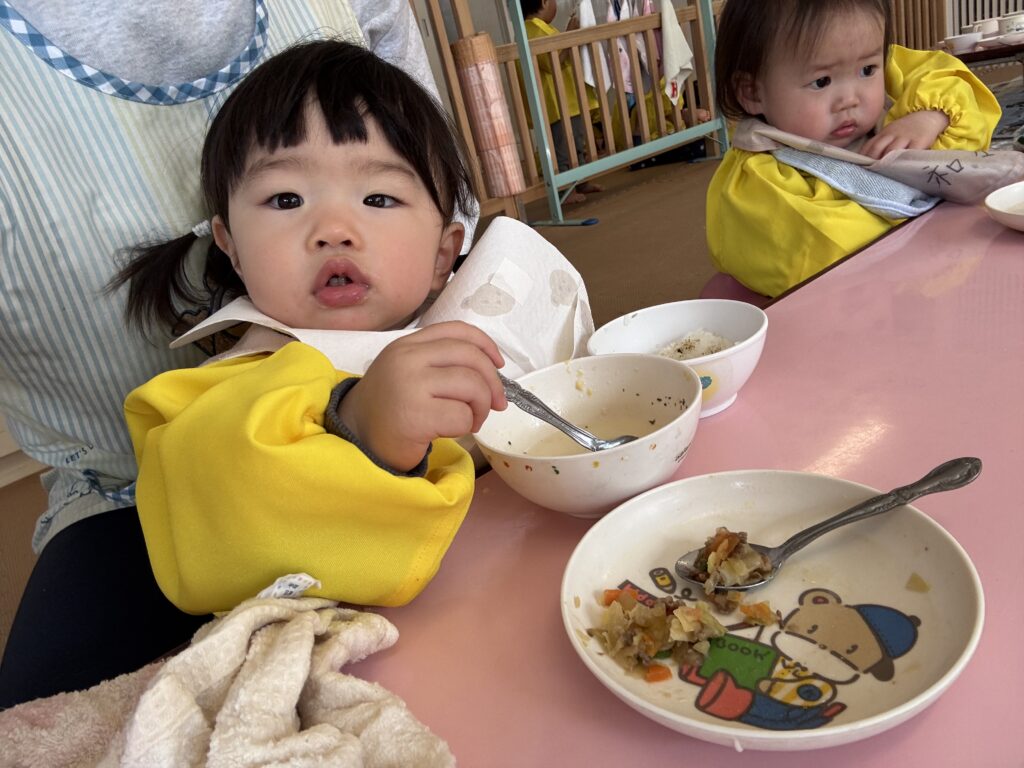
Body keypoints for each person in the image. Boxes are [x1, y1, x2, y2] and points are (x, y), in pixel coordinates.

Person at [0, 0, 471, 709]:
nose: (333, 228)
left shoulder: (465, 319)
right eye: (285, 200)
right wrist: (358, 427)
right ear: (230, 246)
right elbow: (220, 530)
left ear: (445, 253)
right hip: (127, 519)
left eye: (378, 197)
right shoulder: (230, 381)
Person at [705, 0, 1001, 298]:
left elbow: (950, 81)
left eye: (867, 70)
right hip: (866, 302)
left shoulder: (897, 86)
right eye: (821, 81)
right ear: (753, 92)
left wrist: (931, 116)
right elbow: (821, 253)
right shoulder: (757, 181)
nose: (850, 99)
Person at [519, 0, 604, 203]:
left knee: (577, 143)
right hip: (555, 105)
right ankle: (565, 191)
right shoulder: (532, 31)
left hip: (567, 100)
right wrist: (568, 35)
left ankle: (581, 181)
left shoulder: (541, 28)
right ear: (544, 2)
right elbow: (553, 62)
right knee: (563, 148)